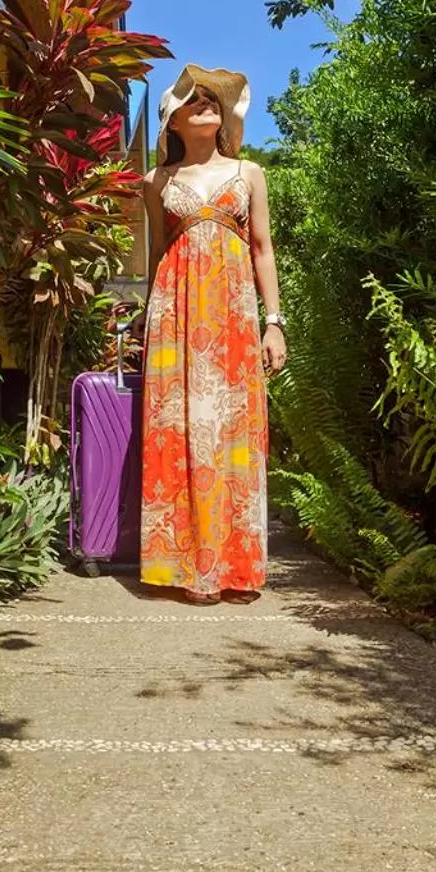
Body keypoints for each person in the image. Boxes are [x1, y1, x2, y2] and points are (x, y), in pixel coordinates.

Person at [138, 65, 286, 605]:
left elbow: (263, 250)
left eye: (212, 99)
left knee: (233, 434)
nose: (206, 104)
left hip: (234, 317)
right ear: (172, 120)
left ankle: (235, 568)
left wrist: (274, 323)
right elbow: (157, 253)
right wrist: (146, 320)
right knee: (176, 432)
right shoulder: (156, 183)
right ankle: (184, 568)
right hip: (174, 317)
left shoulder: (249, 174)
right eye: (193, 99)